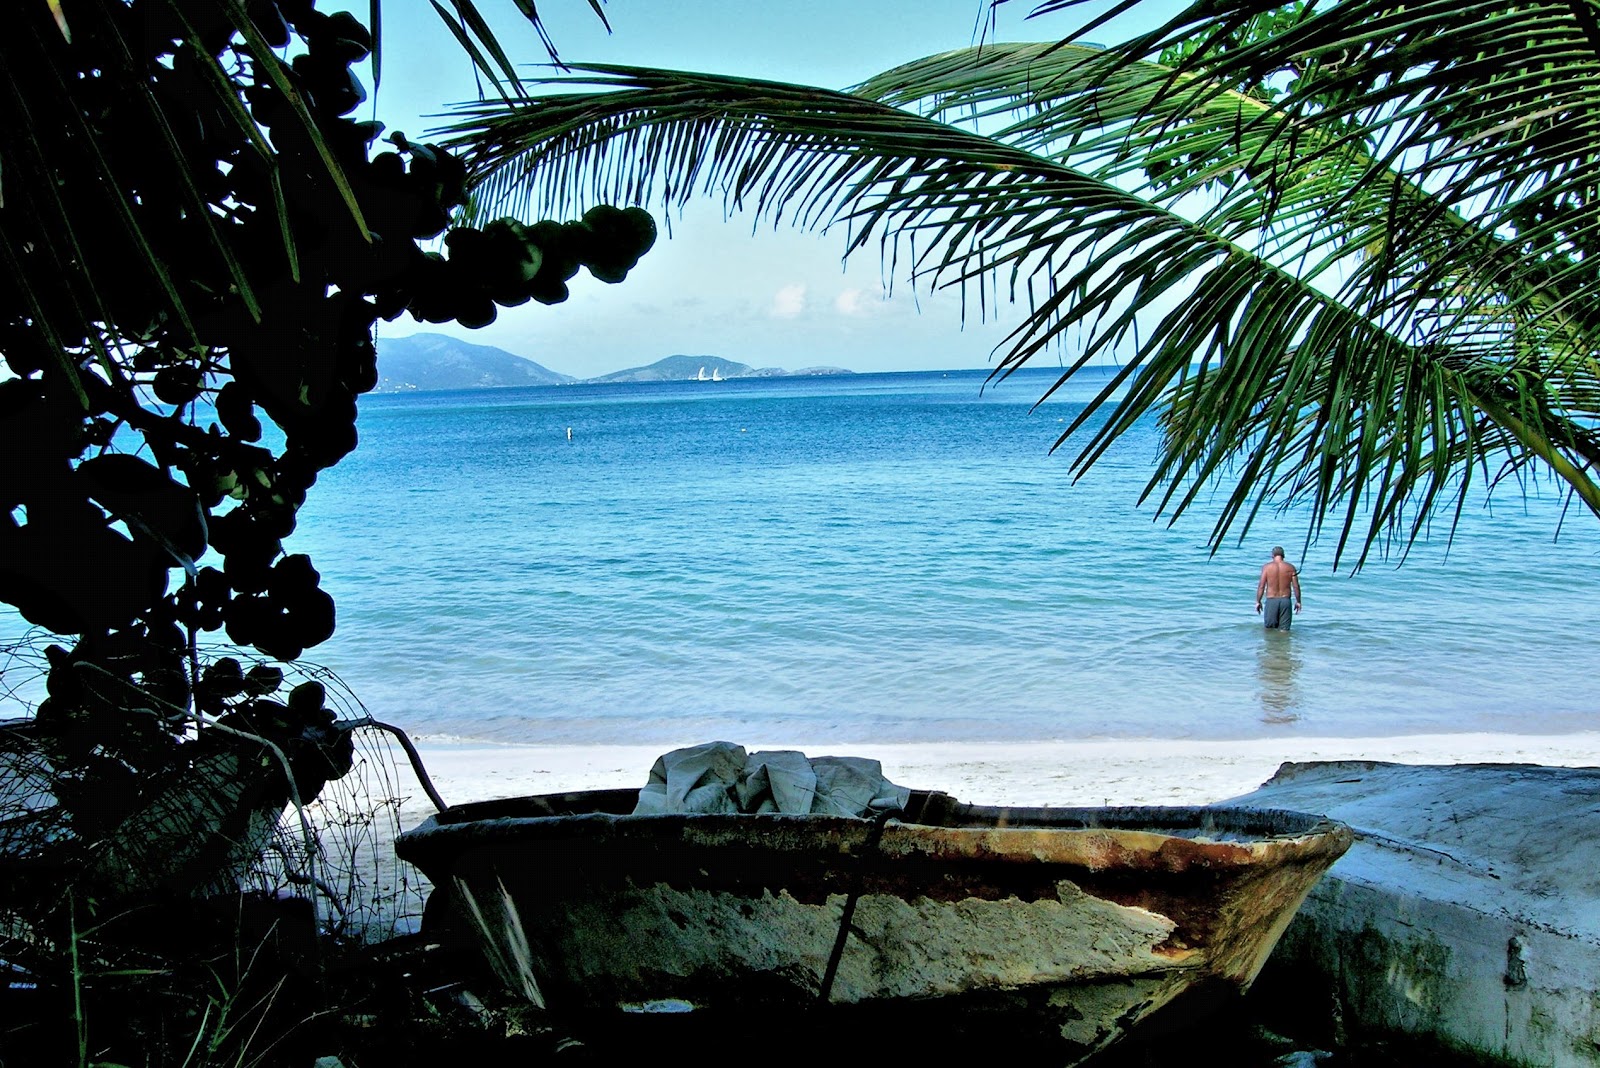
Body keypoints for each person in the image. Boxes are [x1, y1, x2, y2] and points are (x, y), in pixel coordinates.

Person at [1256, 546, 1302, 630]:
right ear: (1283, 555)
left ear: (1272, 555)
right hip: (1285, 601)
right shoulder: (1290, 567)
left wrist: (1258, 601)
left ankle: (1271, 643)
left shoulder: (1266, 567)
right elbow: (1296, 586)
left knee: (1270, 630)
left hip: (1271, 600)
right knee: (1284, 631)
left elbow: (1261, 586)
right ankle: (1284, 643)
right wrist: (1298, 601)